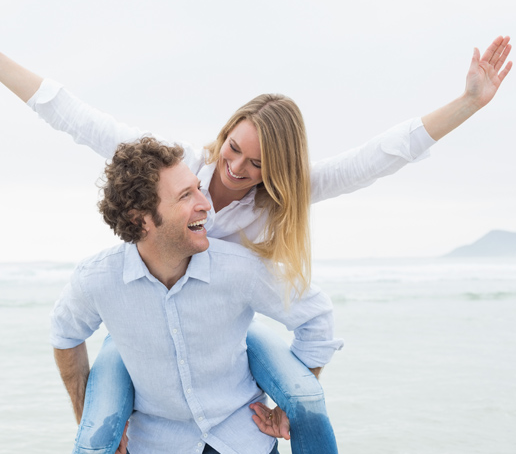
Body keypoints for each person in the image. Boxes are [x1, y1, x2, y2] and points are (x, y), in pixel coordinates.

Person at [0, 14, 513, 453]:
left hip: (226, 333)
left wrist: (468, 102)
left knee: (306, 398)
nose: (235, 169)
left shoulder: (275, 204)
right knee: (97, 430)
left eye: (257, 164)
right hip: (145, 327)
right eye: (233, 148)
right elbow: (73, 115)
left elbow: (380, 157)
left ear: (278, 171)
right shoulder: (177, 166)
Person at [51, 137, 342, 454]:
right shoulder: (97, 279)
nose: (205, 203)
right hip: (155, 443)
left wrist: (289, 402)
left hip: (242, 437)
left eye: (198, 189)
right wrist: (87, 416)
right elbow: (65, 335)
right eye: (185, 195)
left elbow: (316, 317)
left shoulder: (240, 268)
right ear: (140, 218)